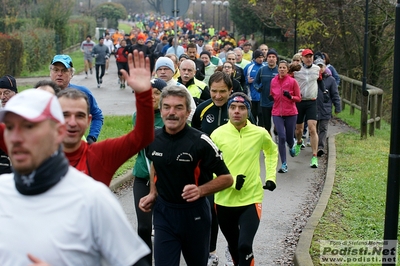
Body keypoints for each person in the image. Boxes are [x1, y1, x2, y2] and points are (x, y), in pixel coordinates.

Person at [0, 89, 150, 266]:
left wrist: (143, 94)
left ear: (58, 131)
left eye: (29, 127)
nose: (16, 137)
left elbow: (141, 137)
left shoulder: (94, 198)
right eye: (9, 127)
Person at [139, 85, 233, 266]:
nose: (171, 112)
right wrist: (153, 192)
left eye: (178, 107)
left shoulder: (201, 142)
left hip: (195, 215)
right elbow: (155, 165)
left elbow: (227, 178)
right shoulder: (151, 138)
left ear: (188, 111)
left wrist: (200, 190)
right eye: (166, 107)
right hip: (164, 214)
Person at [58, 50, 154, 186]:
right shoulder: (37, 157)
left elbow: (142, 138)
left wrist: (144, 95)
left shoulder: (100, 155)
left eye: (80, 115)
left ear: (88, 121)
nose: (72, 122)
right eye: (65, 115)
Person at [210, 92, 278, 266]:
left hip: (251, 198)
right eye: (232, 107)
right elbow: (209, 167)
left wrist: (270, 177)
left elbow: (271, 151)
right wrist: (230, 181)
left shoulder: (259, 133)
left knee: (244, 245)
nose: (236, 111)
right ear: (228, 111)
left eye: (241, 108)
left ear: (248, 111)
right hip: (224, 200)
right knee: (234, 246)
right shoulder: (217, 135)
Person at [132, 78, 167, 265]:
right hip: (142, 177)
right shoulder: (138, 116)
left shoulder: (169, 116)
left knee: (164, 227)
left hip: (165, 180)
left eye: (156, 92)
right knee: (144, 227)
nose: (151, 96)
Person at [50, 54, 104, 143]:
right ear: (50, 72)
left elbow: (97, 116)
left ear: (71, 74)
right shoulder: (42, 94)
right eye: (56, 70)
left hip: (75, 145)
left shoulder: (82, 93)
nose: (59, 74)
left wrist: (92, 138)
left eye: (64, 71)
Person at [270, 60, 301, 173]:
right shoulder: (273, 81)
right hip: (277, 112)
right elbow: (272, 94)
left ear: (288, 70)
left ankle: (292, 144)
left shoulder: (292, 82)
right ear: (278, 69)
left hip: (291, 113)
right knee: (281, 137)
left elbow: (299, 98)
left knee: (288, 138)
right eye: (280, 67)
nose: (282, 69)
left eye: (284, 68)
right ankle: (284, 164)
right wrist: (271, 98)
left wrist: (290, 97)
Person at [293, 48, 321, 168]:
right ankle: (299, 142)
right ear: (302, 58)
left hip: (312, 102)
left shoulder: (317, 69)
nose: (309, 59)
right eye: (306, 57)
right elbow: (286, 75)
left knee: (312, 128)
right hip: (300, 102)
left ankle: (314, 157)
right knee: (299, 130)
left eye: (311, 56)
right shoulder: (297, 69)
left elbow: (320, 79)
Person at [154, 56, 197, 122]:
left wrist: (178, 122)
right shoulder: (151, 86)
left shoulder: (180, 88)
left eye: (166, 69)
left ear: (173, 71)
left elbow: (192, 110)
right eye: (159, 69)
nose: (162, 72)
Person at [314, 58, 341, 156]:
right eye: (318, 67)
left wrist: (337, 106)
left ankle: (321, 147)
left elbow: (335, 94)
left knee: (323, 128)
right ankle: (315, 146)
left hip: (326, 107)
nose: (320, 69)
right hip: (314, 107)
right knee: (314, 128)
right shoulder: (312, 78)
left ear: (325, 67)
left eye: (322, 66)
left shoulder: (331, 80)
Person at [254, 49, 279, 134]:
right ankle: (269, 143)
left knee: (278, 126)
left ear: (276, 59)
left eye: (273, 57)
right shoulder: (262, 70)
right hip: (264, 102)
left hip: (277, 103)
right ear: (266, 58)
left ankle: (279, 140)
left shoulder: (280, 70)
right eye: (269, 57)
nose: (271, 59)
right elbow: (255, 82)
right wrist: (258, 88)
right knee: (266, 126)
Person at [243, 49, 266, 126]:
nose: (261, 59)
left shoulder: (265, 66)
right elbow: (242, 80)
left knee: (262, 116)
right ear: (255, 58)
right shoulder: (248, 67)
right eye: (259, 57)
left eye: (262, 57)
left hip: (262, 97)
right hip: (251, 97)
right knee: (252, 117)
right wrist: (247, 81)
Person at [0, 75, 17, 175]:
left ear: (15, 93)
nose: (2, 97)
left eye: (6, 92)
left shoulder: (23, 114)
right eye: (0, 93)